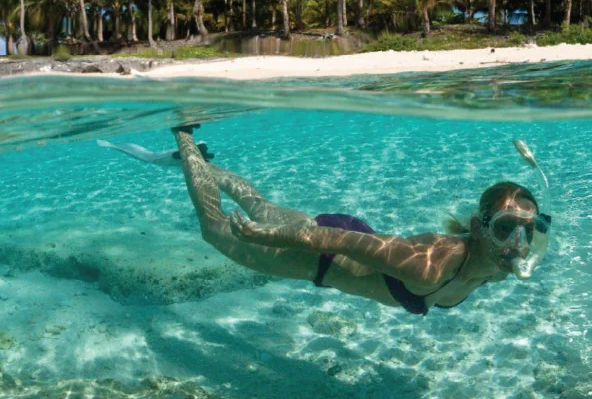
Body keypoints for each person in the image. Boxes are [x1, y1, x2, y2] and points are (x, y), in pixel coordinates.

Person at [111, 126, 552, 316]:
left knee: (259, 204)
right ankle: (184, 139)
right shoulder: (431, 266)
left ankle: (201, 164)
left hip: (340, 235)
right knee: (214, 228)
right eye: (504, 230)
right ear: (478, 227)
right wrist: (272, 237)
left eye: (526, 232)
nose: (516, 244)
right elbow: (335, 240)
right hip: (318, 253)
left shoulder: (495, 269)